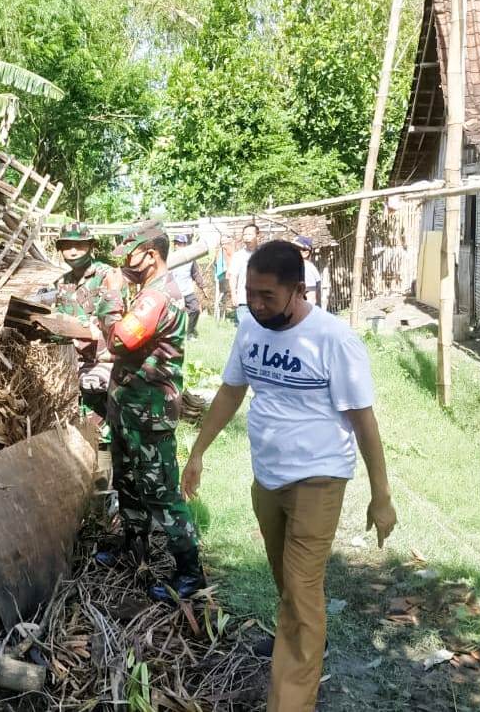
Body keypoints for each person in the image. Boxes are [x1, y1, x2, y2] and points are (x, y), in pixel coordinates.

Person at [181, 239, 397, 712]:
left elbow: (364, 421)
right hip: (269, 477)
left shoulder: (334, 340)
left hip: (319, 479)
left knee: (300, 591)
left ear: (298, 290)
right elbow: (230, 393)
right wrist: (197, 452)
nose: (256, 305)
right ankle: (303, 639)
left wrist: (381, 495)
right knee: (288, 581)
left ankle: (291, 697)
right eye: (250, 294)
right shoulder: (250, 329)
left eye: (267, 297)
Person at [94, 220, 204, 602]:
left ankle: (191, 573)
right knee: (128, 483)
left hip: (149, 412)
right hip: (130, 409)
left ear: (151, 254)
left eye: (130, 253)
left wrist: (109, 299)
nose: (125, 261)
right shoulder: (149, 292)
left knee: (160, 493)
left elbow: (121, 340)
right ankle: (133, 549)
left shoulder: (158, 296)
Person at [38, 221, 114, 440]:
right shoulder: (61, 283)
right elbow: (58, 320)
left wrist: (81, 327)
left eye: (79, 246)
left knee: (101, 432)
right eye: (67, 245)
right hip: (72, 361)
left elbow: (114, 320)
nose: (72, 251)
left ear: (90, 247)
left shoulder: (106, 276)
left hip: (102, 360)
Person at [169, 234, 205, 339]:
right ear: (174, 245)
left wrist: (202, 286)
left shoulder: (190, 259)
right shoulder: (170, 258)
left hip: (187, 290)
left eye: (181, 244)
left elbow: (195, 274)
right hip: (174, 292)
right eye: (177, 243)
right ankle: (175, 335)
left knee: (195, 309)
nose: (178, 246)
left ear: (185, 245)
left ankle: (190, 333)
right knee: (175, 314)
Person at [228, 223, 260, 324]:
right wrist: (234, 294)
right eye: (245, 234)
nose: (246, 237)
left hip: (261, 300)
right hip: (243, 300)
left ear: (258, 235)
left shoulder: (264, 254)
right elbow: (233, 276)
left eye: (250, 234)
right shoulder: (238, 256)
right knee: (243, 330)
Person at [295, 235, 323, 307]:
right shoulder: (304, 266)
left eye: (296, 249)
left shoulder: (305, 267)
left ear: (306, 253)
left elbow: (311, 299)